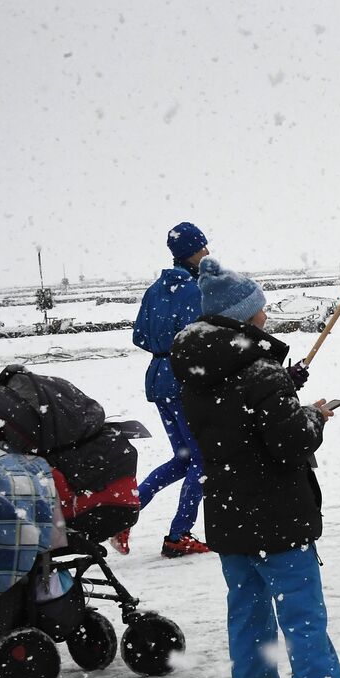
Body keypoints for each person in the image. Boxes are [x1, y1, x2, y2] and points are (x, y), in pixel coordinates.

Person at [170, 257, 340, 678]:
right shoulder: (258, 372)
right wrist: (313, 416)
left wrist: (285, 387)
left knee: (248, 623)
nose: (266, 315)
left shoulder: (199, 372)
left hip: (228, 514)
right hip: (279, 517)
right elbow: (287, 441)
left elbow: (237, 419)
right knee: (304, 621)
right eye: (260, 309)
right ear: (246, 317)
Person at [120, 221, 212, 558]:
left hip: (159, 381)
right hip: (185, 381)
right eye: (203, 248)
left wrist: (163, 346)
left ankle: (125, 514)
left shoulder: (155, 290)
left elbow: (139, 337)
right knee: (202, 461)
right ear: (190, 252)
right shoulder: (195, 291)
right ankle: (179, 535)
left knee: (183, 459)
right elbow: (200, 335)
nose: (207, 253)